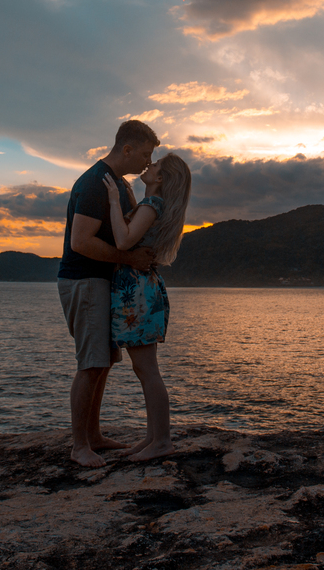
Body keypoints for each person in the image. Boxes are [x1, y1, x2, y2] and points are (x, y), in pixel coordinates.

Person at [57, 120, 159, 467]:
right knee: (91, 364)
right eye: (145, 154)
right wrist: (129, 258)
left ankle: (94, 436)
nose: (148, 162)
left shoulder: (119, 183)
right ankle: (79, 447)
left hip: (102, 282)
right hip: (85, 281)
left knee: (103, 362)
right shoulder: (94, 183)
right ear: (127, 149)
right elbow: (80, 242)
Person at [102, 152, 192, 461]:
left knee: (147, 369)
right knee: (144, 368)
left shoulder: (152, 205)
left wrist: (113, 201)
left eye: (155, 165)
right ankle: (153, 437)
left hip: (138, 291)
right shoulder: (153, 205)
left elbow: (123, 241)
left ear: (161, 178)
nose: (149, 165)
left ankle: (162, 441)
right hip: (141, 289)